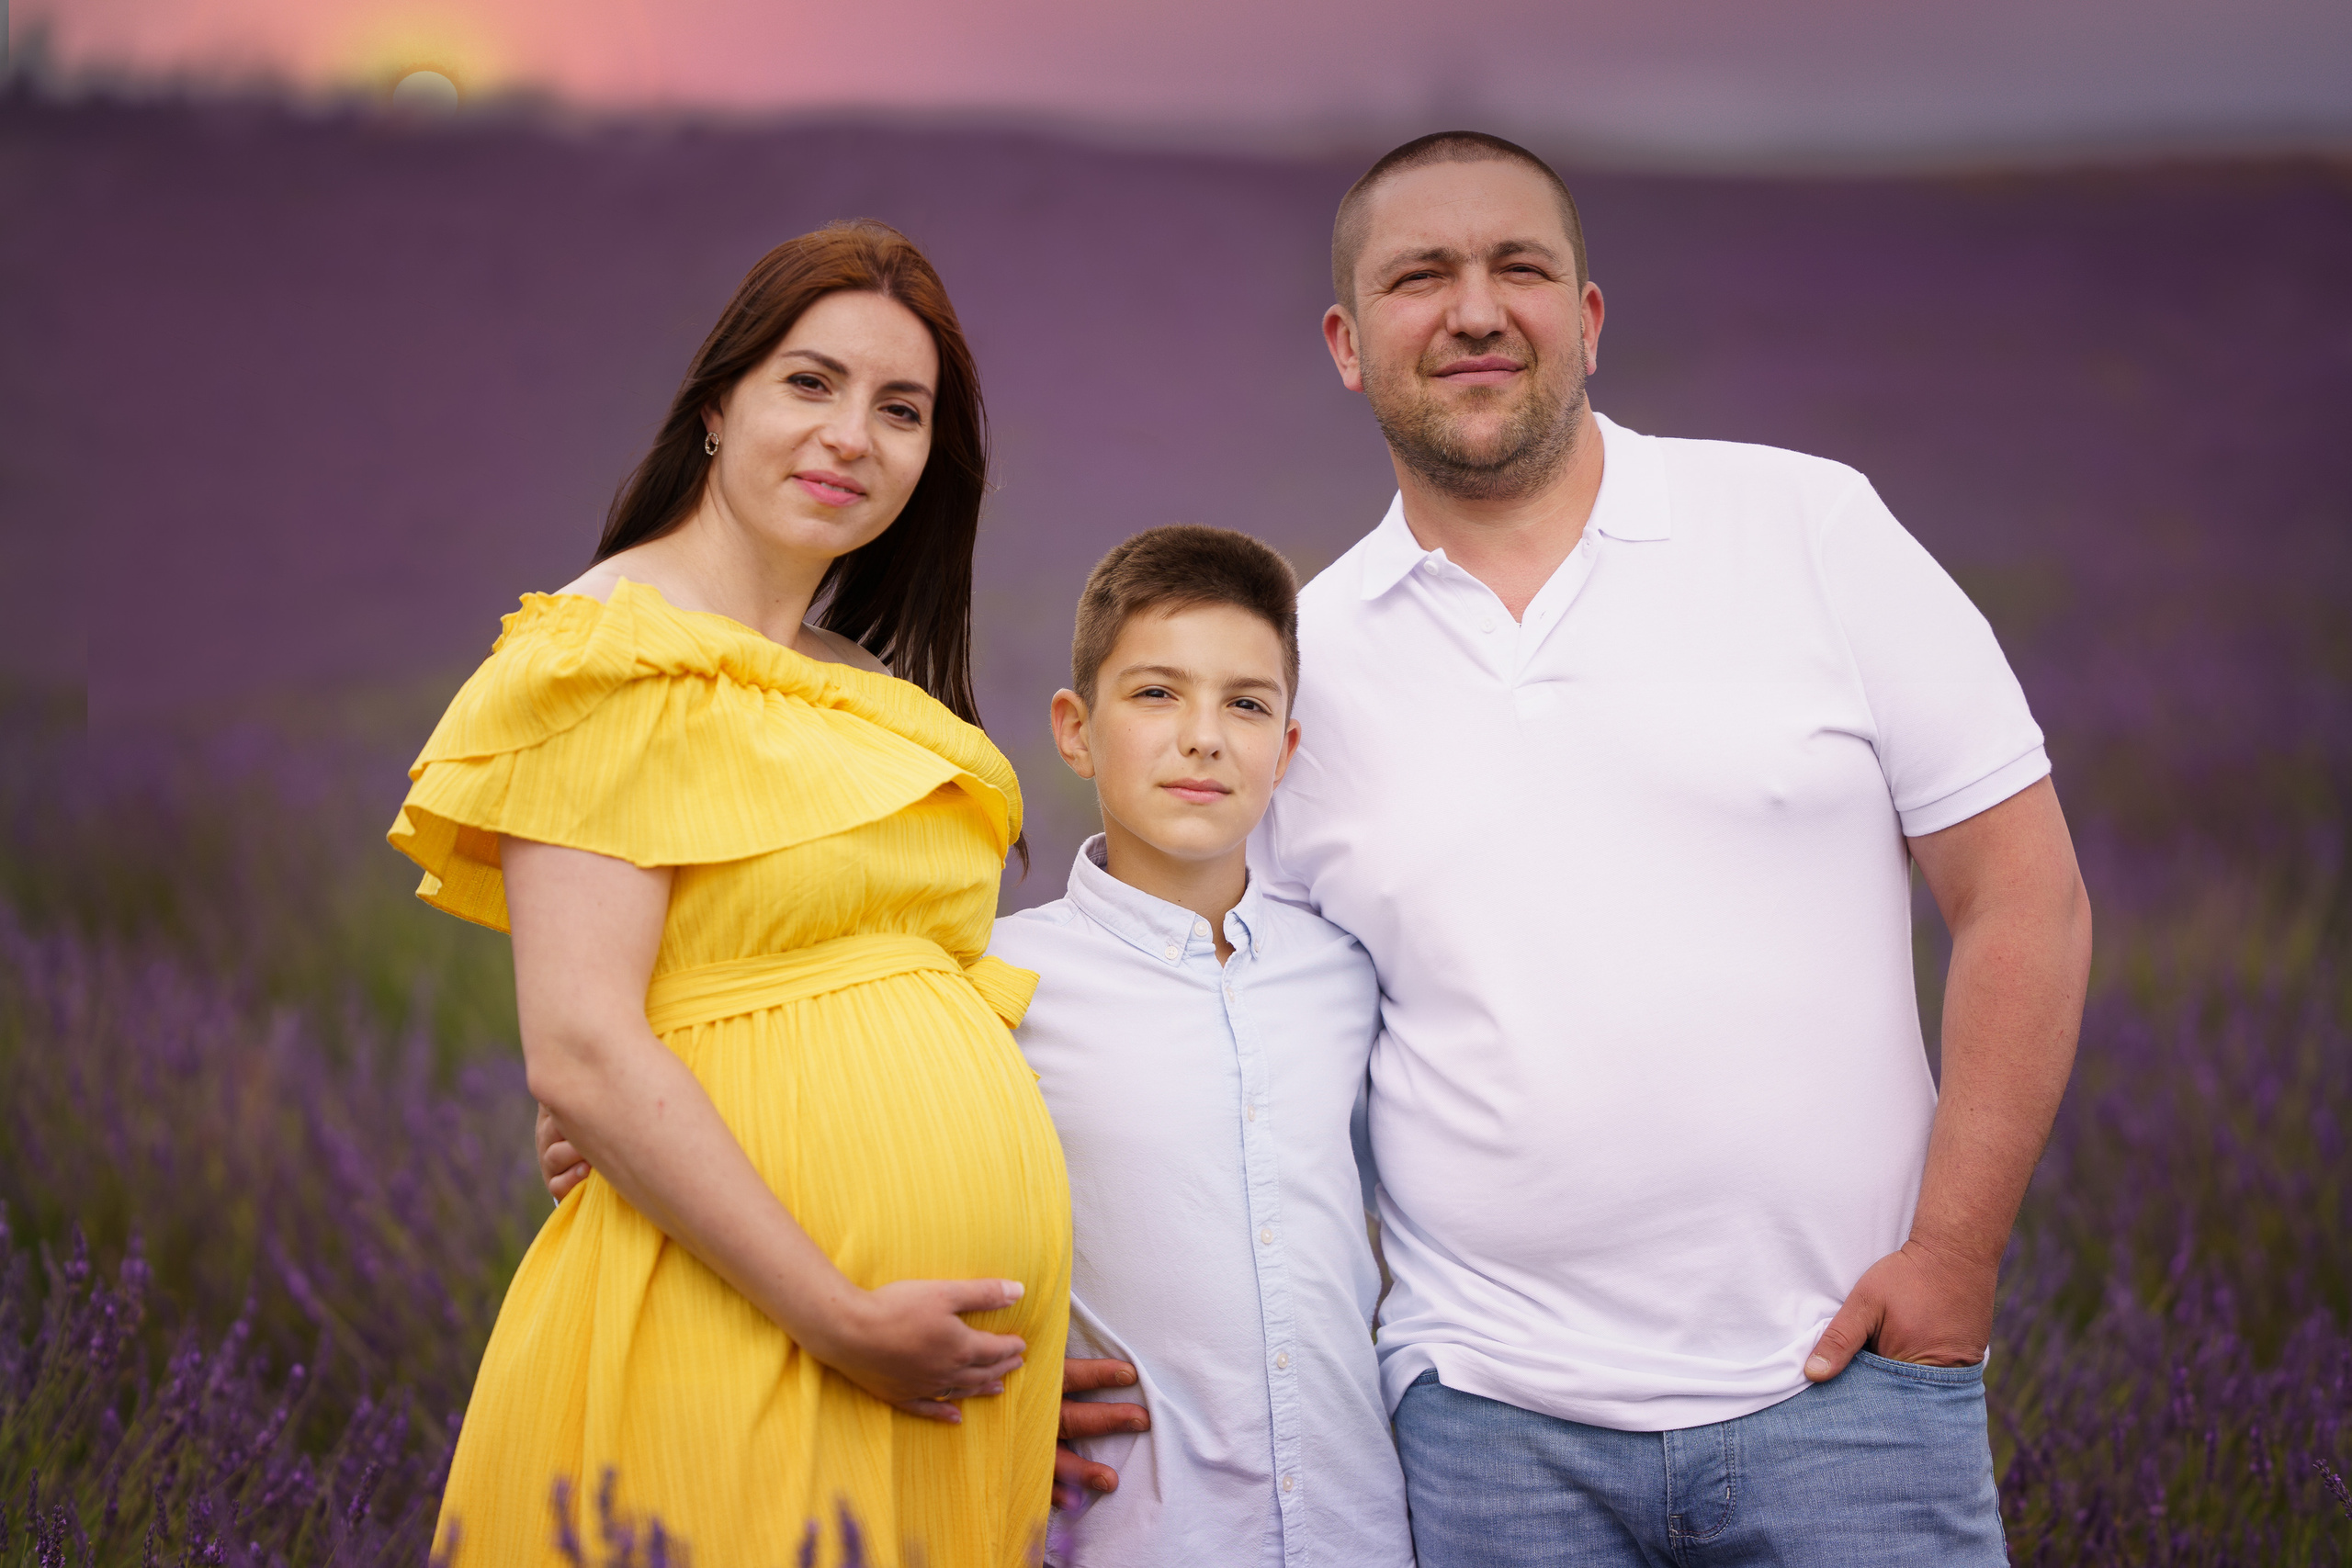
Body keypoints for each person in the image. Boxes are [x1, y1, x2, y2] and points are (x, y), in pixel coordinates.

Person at [1253, 132, 2095, 1564]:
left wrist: (1954, 1260)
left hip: (1849, 1399)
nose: (1472, 309)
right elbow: (1253, 1056)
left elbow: (2025, 894)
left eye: (1519, 266)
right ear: (1346, 341)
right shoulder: (1295, 669)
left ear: (1586, 316)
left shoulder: (1804, 524)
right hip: (1486, 1433)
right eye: (1419, 276)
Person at [390, 220, 1070, 1568]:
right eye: (809, 383)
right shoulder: (610, 654)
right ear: (719, 404)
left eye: (900, 409)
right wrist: (840, 1313)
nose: (850, 437)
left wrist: (1065, 1325)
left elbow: (917, 994)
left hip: (937, 1372)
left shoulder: (874, 693)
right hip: (741, 1324)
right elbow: (581, 1044)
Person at [989, 526, 1414, 1568]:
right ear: (1075, 729)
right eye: (1154, 695)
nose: (1204, 738)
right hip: (1140, 1537)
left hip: (1361, 1531)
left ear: (1286, 746)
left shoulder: (1348, 973)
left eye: (1246, 703)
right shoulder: (993, 982)